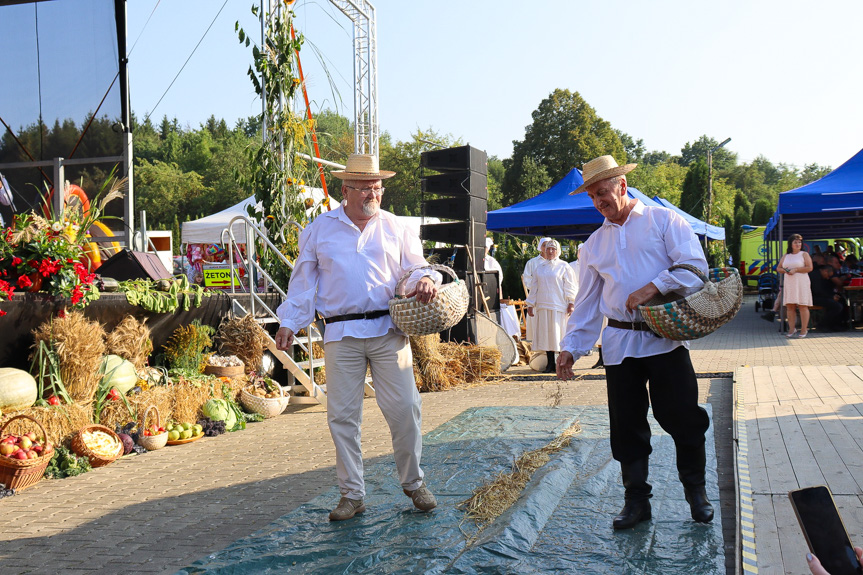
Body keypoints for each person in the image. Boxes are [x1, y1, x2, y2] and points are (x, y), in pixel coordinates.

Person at [275, 153, 441, 521]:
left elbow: (414, 269)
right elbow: (302, 283)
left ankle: (414, 483)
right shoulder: (320, 228)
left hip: (388, 330)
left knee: (405, 410)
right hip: (340, 332)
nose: (373, 193)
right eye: (365, 187)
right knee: (343, 417)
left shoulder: (396, 226)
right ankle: (352, 495)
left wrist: (426, 280)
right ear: (344, 189)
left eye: (377, 187)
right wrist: (288, 322)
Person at [557, 155, 713, 529]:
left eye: (603, 193)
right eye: (593, 197)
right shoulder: (592, 245)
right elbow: (588, 303)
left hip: (666, 340)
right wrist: (570, 348)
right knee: (626, 425)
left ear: (622, 186)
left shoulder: (664, 221)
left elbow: (696, 269)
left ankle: (696, 492)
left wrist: (653, 287)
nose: (599, 202)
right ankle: (636, 502)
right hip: (619, 344)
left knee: (683, 418)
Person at [524, 238, 577, 372]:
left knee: (558, 335)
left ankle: (561, 364)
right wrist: (530, 304)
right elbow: (534, 287)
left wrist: (571, 302)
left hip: (558, 306)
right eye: (548, 248)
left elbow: (570, 286)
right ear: (544, 250)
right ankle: (550, 364)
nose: (551, 251)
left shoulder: (564, 266)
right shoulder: (539, 268)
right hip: (542, 305)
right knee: (546, 335)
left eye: (553, 249)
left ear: (557, 250)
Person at [778, 234, 813, 338]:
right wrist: (785, 270)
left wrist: (796, 269)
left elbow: (809, 267)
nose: (798, 244)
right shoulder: (786, 255)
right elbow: (779, 268)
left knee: (802, 305)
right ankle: (792, 328)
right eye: (796, 242)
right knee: (790, 306)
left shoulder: (804, 254)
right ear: (791, 244)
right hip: (790, 282)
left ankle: (803, 329)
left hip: (801, 282)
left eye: (799, 242)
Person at [485, 237, 520, 340]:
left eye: (485, 248)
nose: (483, 250)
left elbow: (498, 277)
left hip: (491, 291)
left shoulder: (492, 261)